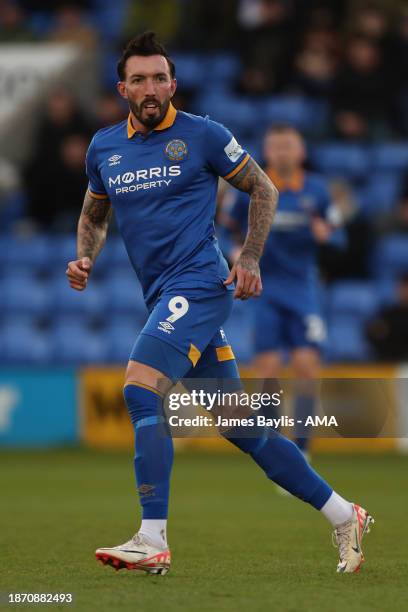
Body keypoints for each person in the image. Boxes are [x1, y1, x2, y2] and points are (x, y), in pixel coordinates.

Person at [66, 31, 373, 576]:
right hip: (162, 293)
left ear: (173, 83)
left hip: (201, 284)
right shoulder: (104, 148)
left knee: (140, 389)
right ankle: (344, 512)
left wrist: (250, 257)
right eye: (139, 79)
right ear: (123, 88)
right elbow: (93, 214)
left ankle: (152, 538)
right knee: (243, 425)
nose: (151, 87)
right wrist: (85, 257)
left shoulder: (203, 135)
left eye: (160, 77)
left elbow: (264, 188)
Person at [224, 124, 335, 458]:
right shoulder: (248, 187)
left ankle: (302, 449)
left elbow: (339, 234)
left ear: (301, 151)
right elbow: (224, 228)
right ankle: (275, 450)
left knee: (305, 367)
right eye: (276, 146)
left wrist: (325, 233)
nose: (282, 152)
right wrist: (233, 251)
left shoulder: (317, 190)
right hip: (263, 291)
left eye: (289, 146)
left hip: (303, 290)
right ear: (267, 151)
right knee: (268, 370)